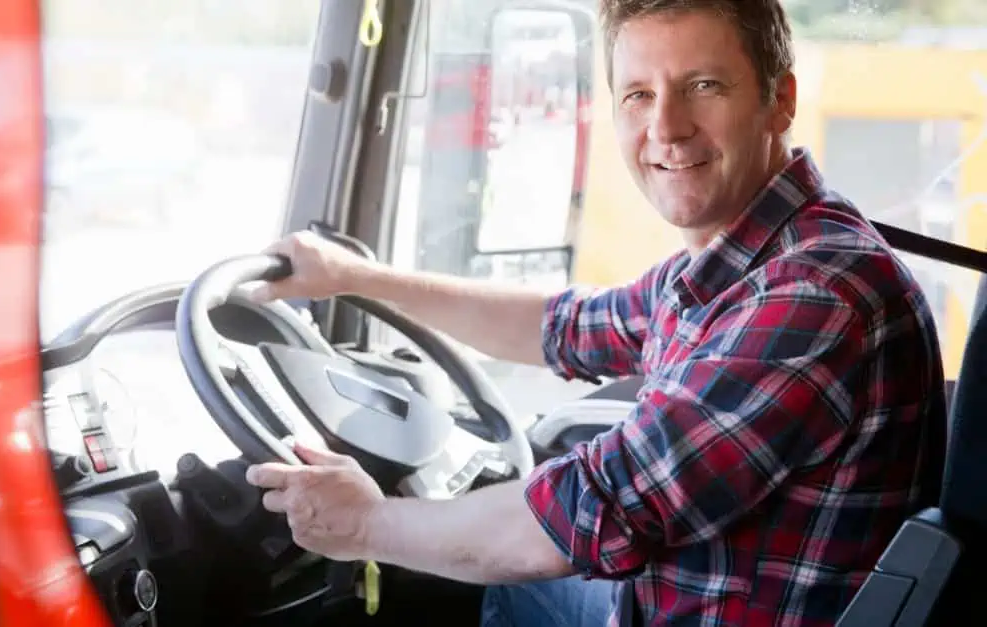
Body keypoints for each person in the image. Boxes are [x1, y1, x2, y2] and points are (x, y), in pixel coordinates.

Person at [244, 0, 948, 625]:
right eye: (639, 94)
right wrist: (355, 277)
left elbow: (574, 521)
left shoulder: (812, 297)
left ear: (779, 100)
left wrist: (364, 523)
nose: (666, 127)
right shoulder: (747, 261)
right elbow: (565, 327)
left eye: (703, 86)